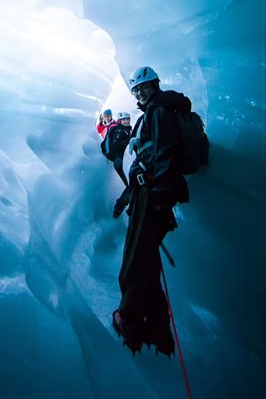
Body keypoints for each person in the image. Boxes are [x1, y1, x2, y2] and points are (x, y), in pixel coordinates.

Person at [112, 66, 191, 355]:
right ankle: (159, 333)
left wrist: (159, 196)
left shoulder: (158, 112)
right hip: (147, 194)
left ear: (155, 85)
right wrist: (125, 199)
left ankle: (130, 323)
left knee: (134, 264)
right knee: (148, 264)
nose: (140, 92)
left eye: (144, 87)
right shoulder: (152, 114)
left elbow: (166, 152)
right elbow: (144, 164)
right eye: (136, 89)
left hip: (153, 196)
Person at [101, 111, 133, 186]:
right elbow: (115, 146)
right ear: (119, 121)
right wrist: (128, 141)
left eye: (128, 119)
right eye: (124, 120)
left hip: (122, 160)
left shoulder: (125, 129)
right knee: (129, 184)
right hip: (119, 161)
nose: (126, 121)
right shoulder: (119, 131)